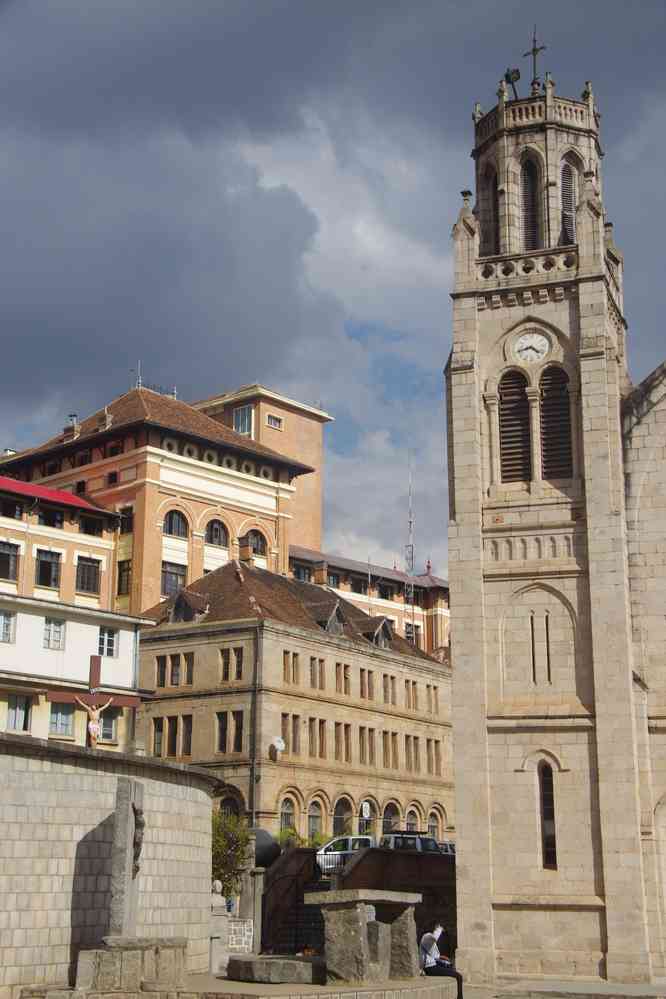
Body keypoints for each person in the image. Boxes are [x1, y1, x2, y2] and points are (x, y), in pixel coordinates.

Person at [419, 922, 463, 999]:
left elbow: (435, 955)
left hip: (433, 965)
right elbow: (435, 937)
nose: (437, 928)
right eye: (436, 927)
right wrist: (439, 929)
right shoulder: (426, 937)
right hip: (430, 968)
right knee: (459, 976)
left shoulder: (429, 939)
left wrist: (445, 959)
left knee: (450, 967)